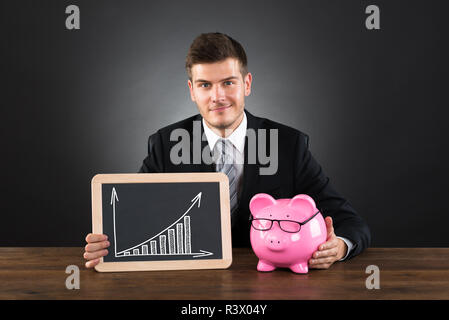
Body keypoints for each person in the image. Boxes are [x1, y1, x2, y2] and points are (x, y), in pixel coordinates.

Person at [84, 32, 370, 269]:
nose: (217, 96)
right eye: (205, 85)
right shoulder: (165, 144)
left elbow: (350, 222)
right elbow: (132, 221)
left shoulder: (289, 144)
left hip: (274, 286)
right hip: (191, 283)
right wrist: (106, 246)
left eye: (228, 83)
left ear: (246, 84)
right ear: (192, 91)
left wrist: (339, 247)